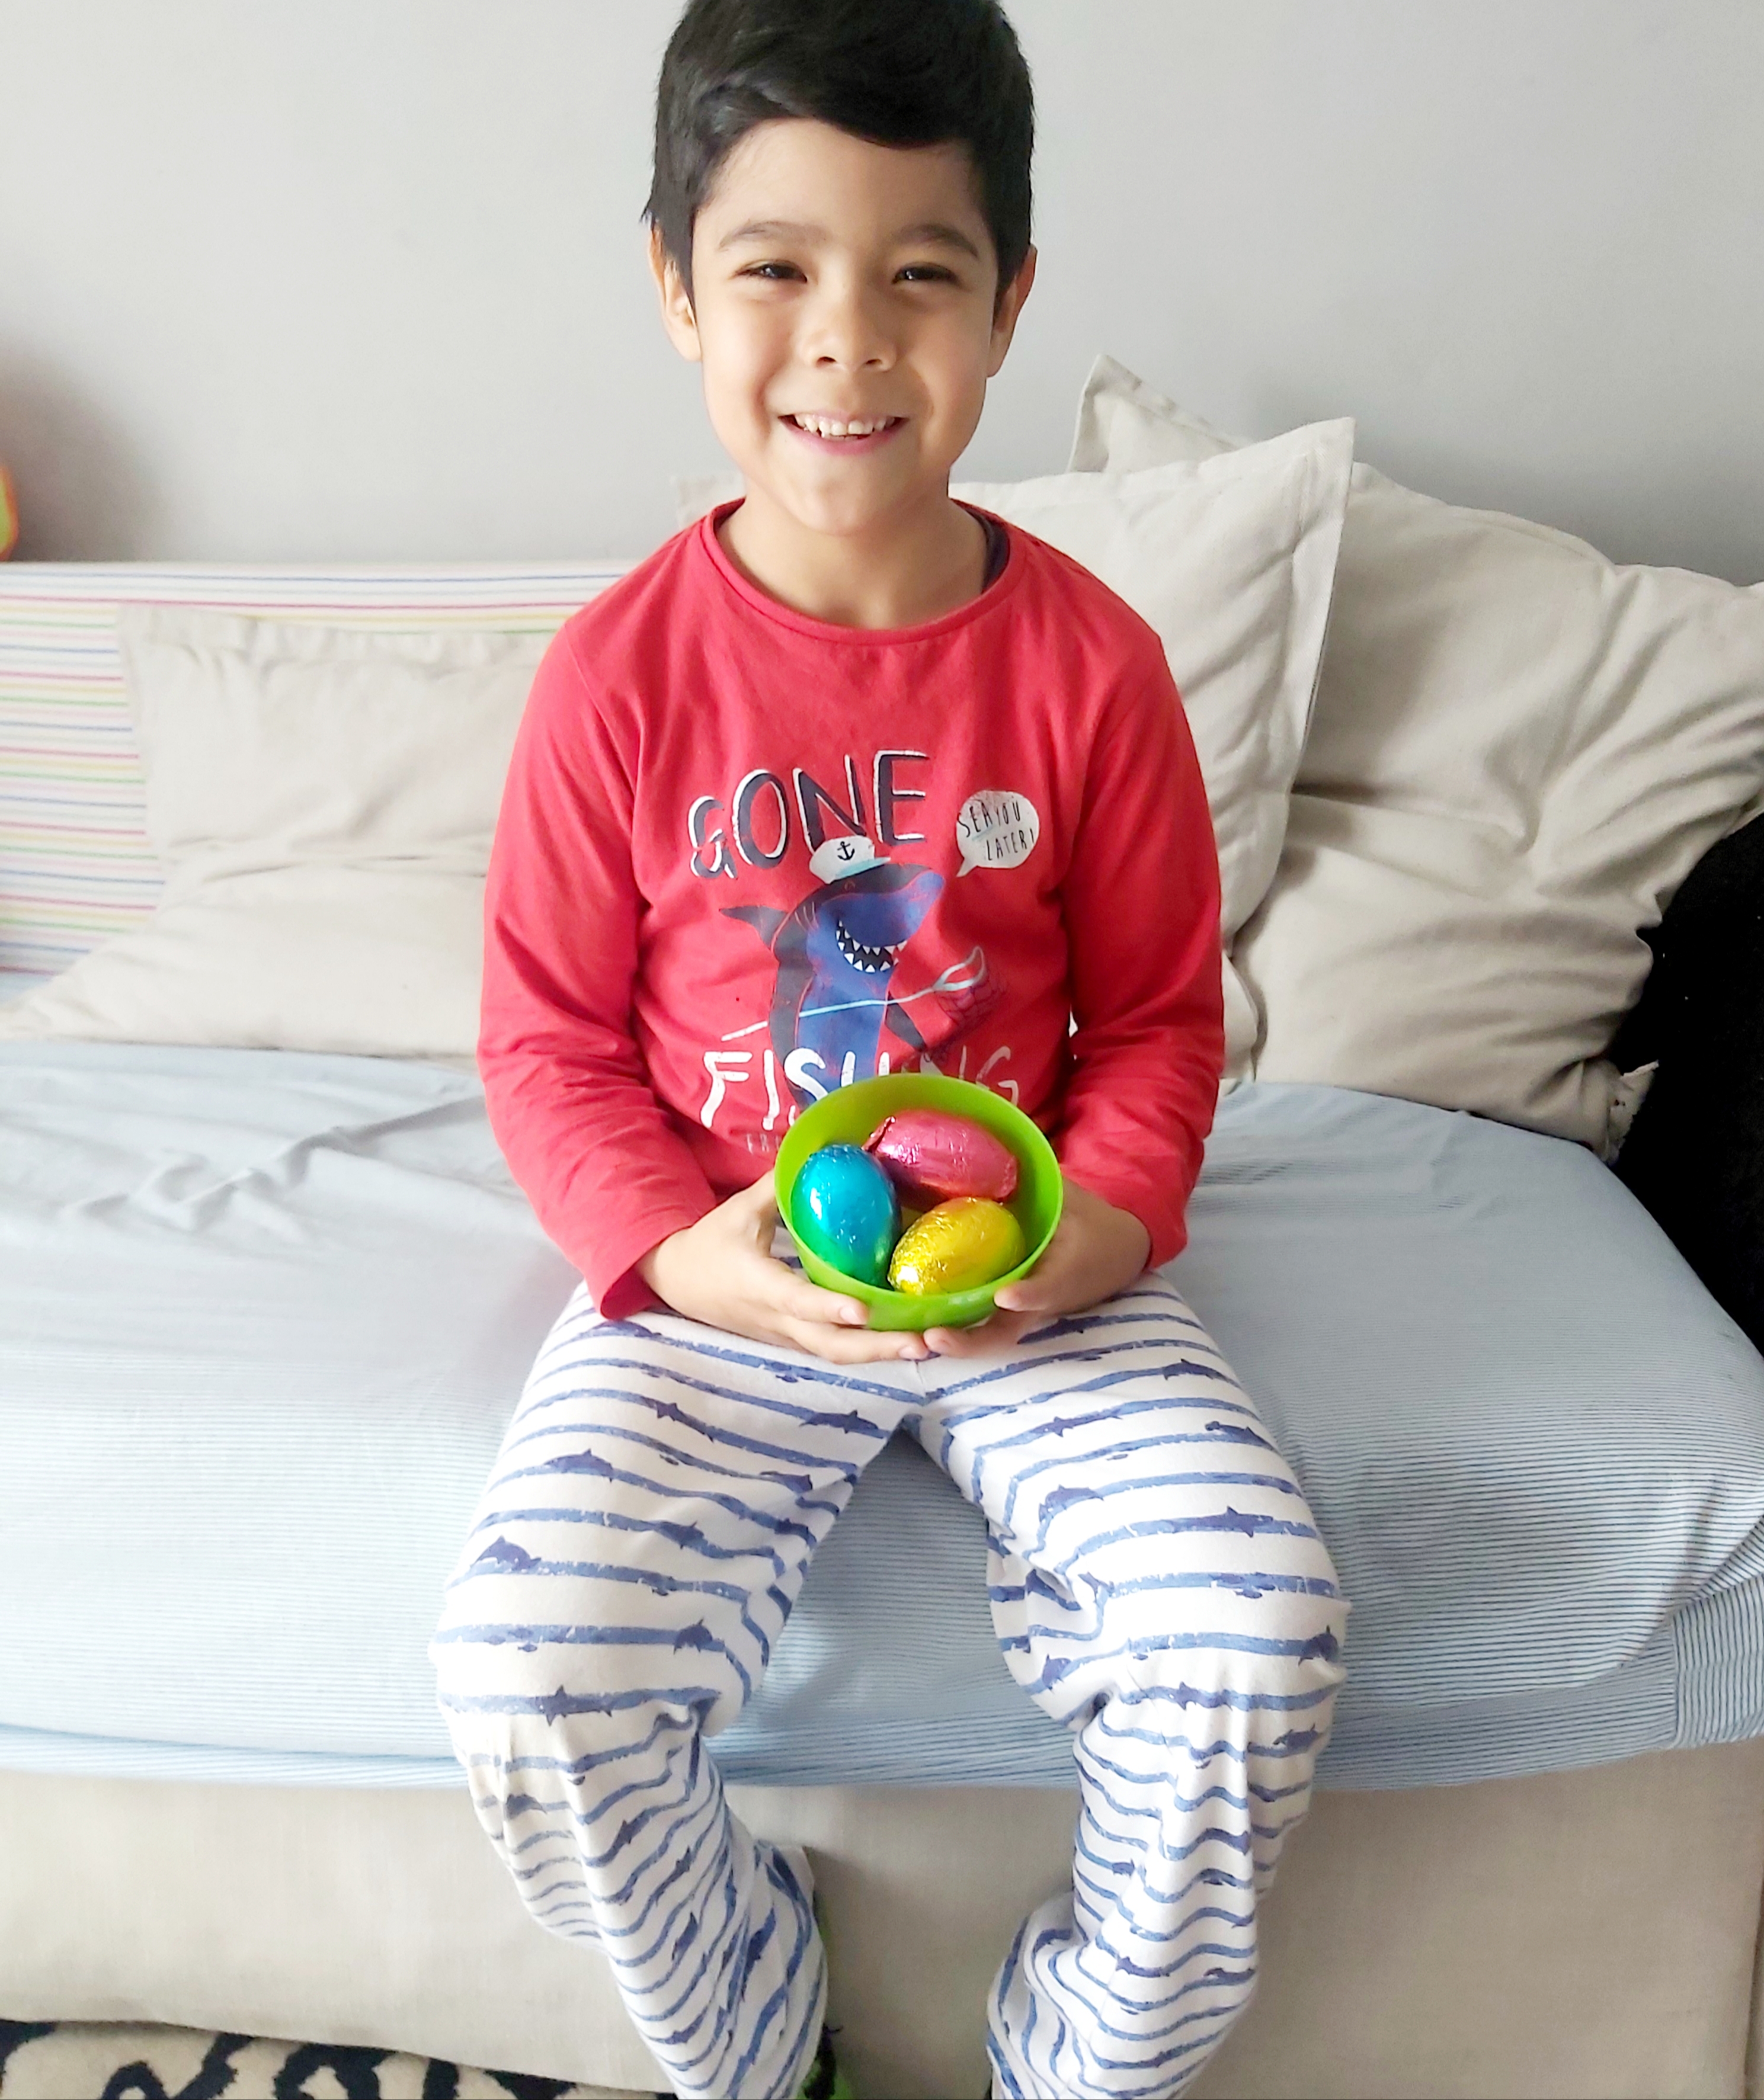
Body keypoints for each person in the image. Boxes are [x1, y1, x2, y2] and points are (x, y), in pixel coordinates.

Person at [430, 3, 1348, 2095]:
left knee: (1253, 1640)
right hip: (731, 1269)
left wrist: (1106, 1220)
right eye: (775, 266)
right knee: (527, 1678)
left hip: (1030, 1269)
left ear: (1008, 301)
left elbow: (1160, 1021)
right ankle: (762, 2027)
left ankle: (1076, 2057)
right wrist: (678, 1253)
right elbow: (547, 1041)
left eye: (919, 271)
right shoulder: (615, 679)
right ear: (675, 287)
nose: (846, 338)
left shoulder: (1093, 668)